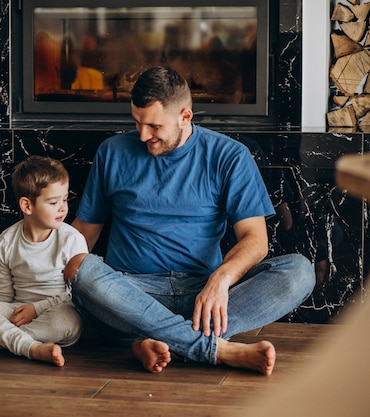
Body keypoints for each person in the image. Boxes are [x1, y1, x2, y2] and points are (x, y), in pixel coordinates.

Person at [63, 66, 315, 376]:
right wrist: (47, 283)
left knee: (299, 271)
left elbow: (255, 239)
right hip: (129, 292)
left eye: (154, 126)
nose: (143, 135)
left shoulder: (230, 156)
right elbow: (83, 235)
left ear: (186, 116)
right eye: (137, 123)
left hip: (203, 296)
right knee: (83, 270)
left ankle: (153, 338)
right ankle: (212, 349)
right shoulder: (113, 152)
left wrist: (220, 281)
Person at [0, 155, 88, 366]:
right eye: (53, 202)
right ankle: (31, 347)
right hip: (17, 311)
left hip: (58, 309)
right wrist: (1, 317)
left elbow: (77, 295)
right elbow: (3, 294)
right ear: (27, 206)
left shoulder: (72, 240)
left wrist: (37, 309)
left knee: (68, 320)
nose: (63, 207)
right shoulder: (6, 242)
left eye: (64, 199)